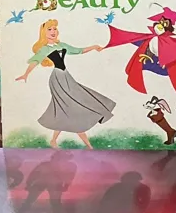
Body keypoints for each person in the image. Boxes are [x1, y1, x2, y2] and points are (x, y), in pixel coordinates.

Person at [16, 19, 114, 148]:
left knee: (72, 107)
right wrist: (26, 74)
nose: (53, 31)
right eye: (49, 29)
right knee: (68, 108)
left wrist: (93, 47)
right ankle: (86, 145)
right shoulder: (44, 49)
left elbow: (79, 50)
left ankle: (55, 141)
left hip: (66, 77)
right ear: (43, 33)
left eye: (54, 29)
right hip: (57, 79)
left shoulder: (62, 45)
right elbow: (35, 61)